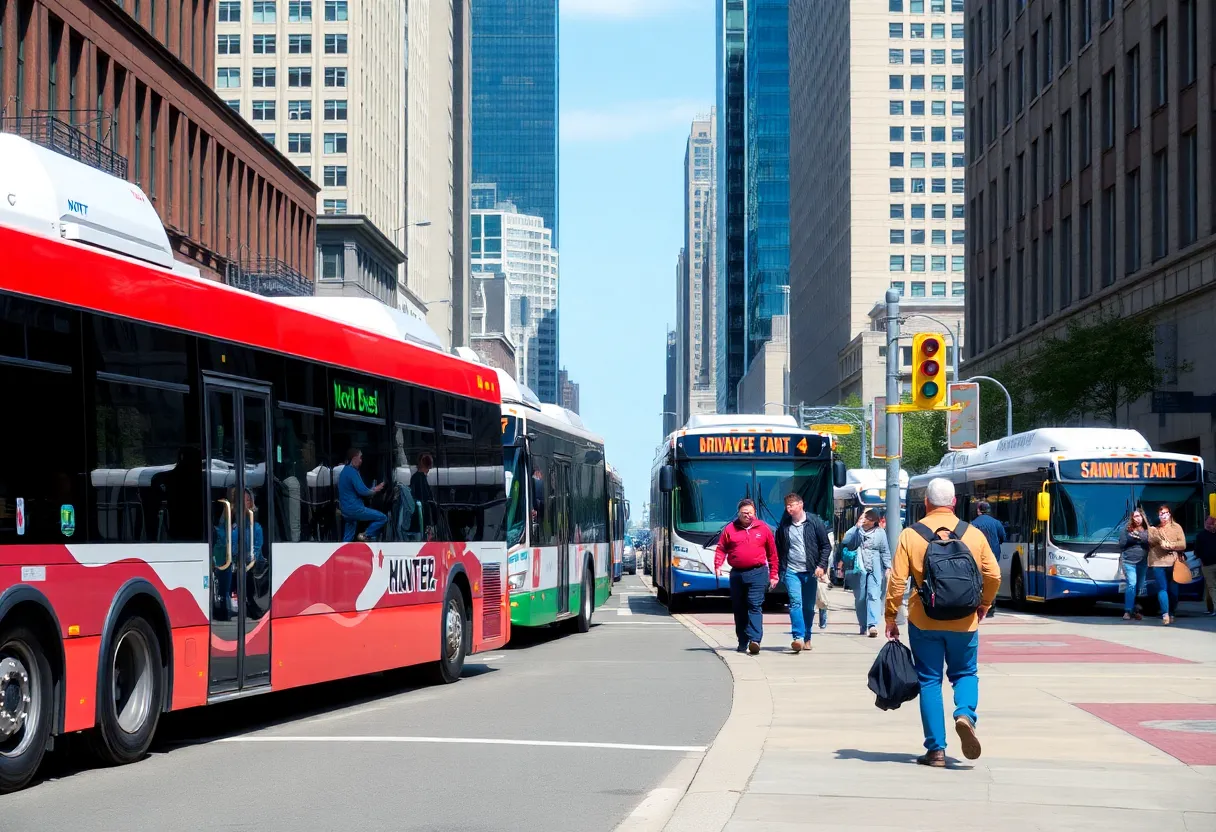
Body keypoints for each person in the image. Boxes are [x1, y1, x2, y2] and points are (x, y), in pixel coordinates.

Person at [885, 478, 1000, 768]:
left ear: (926, 503)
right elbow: (994, 575)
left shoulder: (911, 535)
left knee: (929, 681)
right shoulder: (972, 534)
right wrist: (984, 603)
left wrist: (890, 616)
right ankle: (965, 714)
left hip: (925, 620)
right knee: (965, 673)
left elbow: (897, 581)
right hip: (965, 620)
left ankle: (936, 750)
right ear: (954, 503)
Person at [714, 498, 779, 655]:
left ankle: (755, 640)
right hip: (737, 573)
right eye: (744, 513)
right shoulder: (730, 529)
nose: (747, 516)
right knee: (739, 608)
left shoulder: (763, 529)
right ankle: (742, 641)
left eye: (750, 513)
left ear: (754, 513)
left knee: (754, 605)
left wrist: (774, 574)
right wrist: (718, 565)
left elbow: (772, 553)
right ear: (739, 514)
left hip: (758, 572)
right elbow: (721, 548)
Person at [775, 493, 832, 652]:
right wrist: (780, 570)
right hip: (791, 570)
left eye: (791, 505)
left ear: (800, 505)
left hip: (811, 571)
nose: (789, 508)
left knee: (808, 607)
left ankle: (807, 637)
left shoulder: (814, 522)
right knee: (795, 603)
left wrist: (821, 566)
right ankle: (797, 637)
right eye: (787, 506)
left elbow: (826, 546)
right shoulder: (784, 525)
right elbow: (779, 547)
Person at [842, 508, 890, 637]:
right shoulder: (857, 531)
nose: (865, 519)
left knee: (874, 594)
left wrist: (888, 567)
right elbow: (845, 541)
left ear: (874, 520)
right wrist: (856, 526)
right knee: (861, 597)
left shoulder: (880, 533)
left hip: (875, 565)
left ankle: (872, 624)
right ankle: (863, 624)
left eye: (867, 517)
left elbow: (885, 551)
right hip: (858, 566)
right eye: (863, 516)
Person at [1147, 504, 1186, 625]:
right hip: (1158, 562)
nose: (1163, 516)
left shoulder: (1177, 527)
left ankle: (1172, 612)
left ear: (1170, 514)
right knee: (1162, 589)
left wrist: (1170, 545)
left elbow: (1183, 544)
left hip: (1173, 562)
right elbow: (1150, 542)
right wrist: (1156, 539)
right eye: (1161, 514)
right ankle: (1165, 614)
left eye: (1165, 513)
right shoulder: (1155, 529)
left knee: (1174, 591)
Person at [339, 448, 386, 542]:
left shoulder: (344, 471)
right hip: (355, 508)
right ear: (354, 458)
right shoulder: (352, 472)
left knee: (348, 535)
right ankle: (365, 534)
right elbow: (363, 491)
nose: (361, 461)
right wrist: (375, 489)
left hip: (346, 510)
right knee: (382, 518)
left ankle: (344, 551)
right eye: (360, 458)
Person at [969, 501, 1005, 618]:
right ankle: (991, 608)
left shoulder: (973, 524)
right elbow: (1003, 537)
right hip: (993, 556)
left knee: (978, 582)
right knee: (991, 579)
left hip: (978, 557)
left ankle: (978, 606)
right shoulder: (997, 523)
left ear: (978, 510)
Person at [1118, 509, 1151, 621]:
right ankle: (1127, 611)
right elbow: (1122, 543)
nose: (1137, 518)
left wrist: (1138, 536)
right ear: (1132, 518)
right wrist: (1133, 538)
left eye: (1139, 516)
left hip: (1142, 562)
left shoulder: (1147, 529)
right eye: (1135, 516)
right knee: (1131, 584)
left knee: (1139, 586)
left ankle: (1133, 609)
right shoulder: (1126, 530)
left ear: (1143, 517)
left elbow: (1149, 540)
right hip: (1129, 562)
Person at [1197, 516, 1216, 617]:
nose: (1210, 525)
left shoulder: (1201, 535)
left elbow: (1197, 551)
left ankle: (1213, 608)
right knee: (1210, 587)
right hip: (1207, 564)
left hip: (1207, 564)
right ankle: (1211, 608)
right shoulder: (1201, 535)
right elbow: (1198, 551)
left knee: (1211, 587)